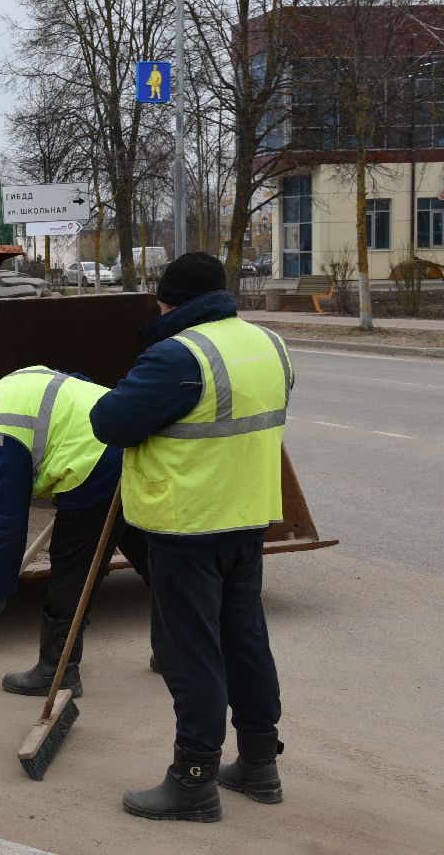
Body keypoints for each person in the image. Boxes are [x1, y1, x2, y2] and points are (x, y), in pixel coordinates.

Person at [89, 251, 294, 822]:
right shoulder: (269, 344)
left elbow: (109, 422)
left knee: (190, 653)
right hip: (248, 516)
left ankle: (194, 780)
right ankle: (259, 763)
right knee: (244, 639)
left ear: (169, 303)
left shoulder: (177, 356)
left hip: (187, 523)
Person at [0, 370, 150, 700]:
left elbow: (8, 524)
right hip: (131, 447)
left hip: (91, 471)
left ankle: (56, 671)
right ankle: (185, 648)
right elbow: (76, 380)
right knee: (151, 555)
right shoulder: (8, 384)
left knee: (70, 573)